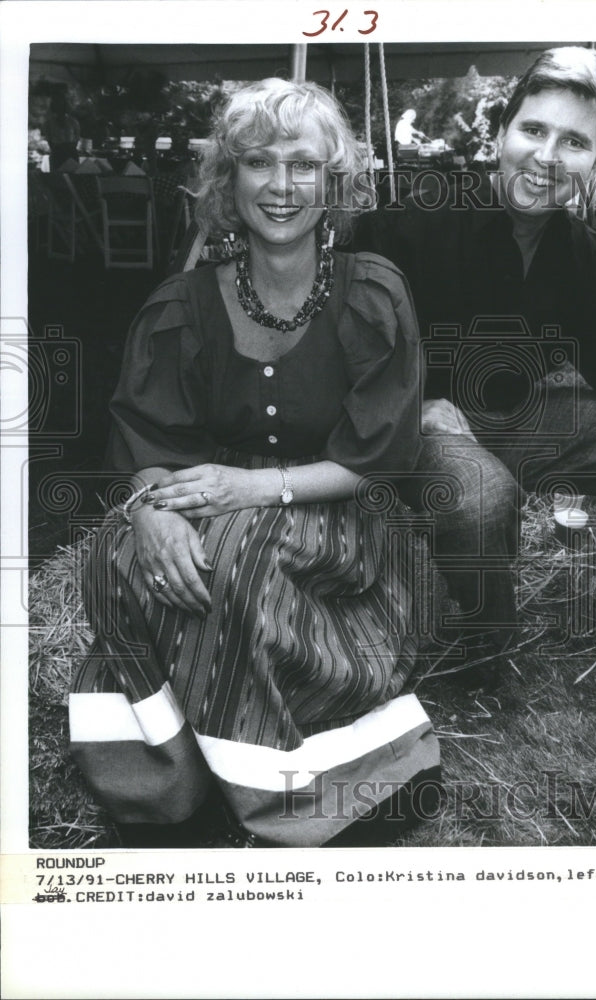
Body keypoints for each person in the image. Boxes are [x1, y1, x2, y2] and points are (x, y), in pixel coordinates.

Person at [69, 79, 440, 848]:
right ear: (227, 183)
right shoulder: (182, 302)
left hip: (329, 502)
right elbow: (146, 435)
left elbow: (373, 461)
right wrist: (149, 513)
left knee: (234, 560)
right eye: (259, 163)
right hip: (206, 486)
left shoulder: (373, 294)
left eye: (303, 165)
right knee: (117, 556)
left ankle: (294, 785)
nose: (281, 186)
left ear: (333, 183)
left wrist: (256, 487)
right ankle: (169, 777)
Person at [352, 46, 596, 650]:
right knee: (481, 492)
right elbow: (343, 339)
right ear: (500, 132)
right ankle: (481, 641)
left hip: (512, 425)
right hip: (407, 429)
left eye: (575, 142)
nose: (547, 157)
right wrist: (414, 400)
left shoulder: (578, 252)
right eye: (533, 129)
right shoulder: (414, 218)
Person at [44, 92, 81, 169]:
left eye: (62, 104)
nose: (60, 107)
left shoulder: (73, 122)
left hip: (71, 153)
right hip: (57, 153)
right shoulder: (49, 123)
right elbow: (49, 139)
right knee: (57, 178)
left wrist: (70, 149)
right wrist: (56, 150)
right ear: (54, 106)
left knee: (72, 177)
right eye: (57, 104)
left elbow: (77, 137)